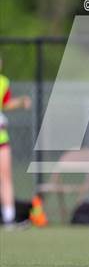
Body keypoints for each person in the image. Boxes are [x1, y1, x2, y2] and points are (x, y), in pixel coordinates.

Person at [0, 58, 32, 228]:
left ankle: (9, 218)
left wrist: (20, 102)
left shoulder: (3, 82)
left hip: (1, 139)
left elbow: (5, 104)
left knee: (5, 178)